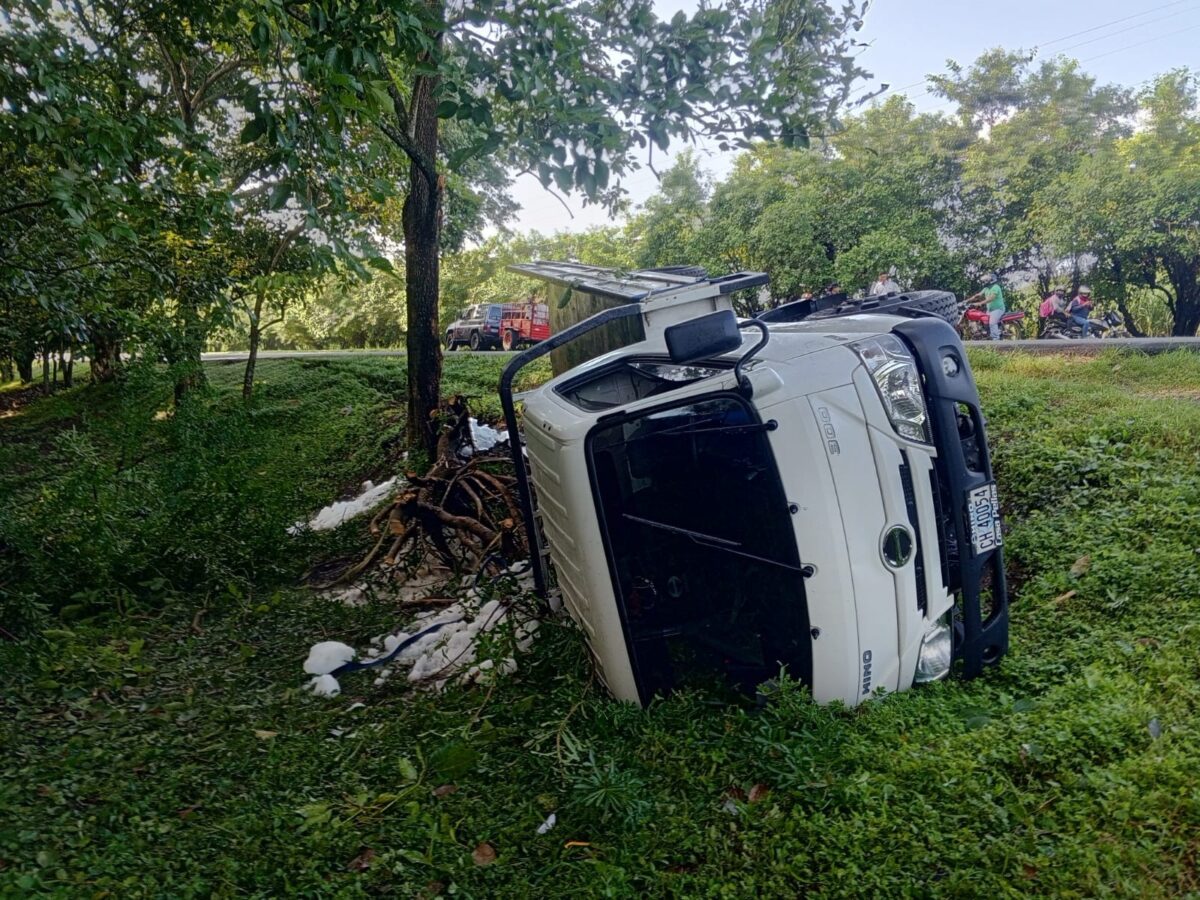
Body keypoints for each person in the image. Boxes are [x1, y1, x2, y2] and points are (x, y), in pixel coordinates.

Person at [966, 274, 1006, 340]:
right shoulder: (986, 288)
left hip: (998, 309)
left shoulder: (996, 287)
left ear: (991, 280)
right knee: (984, 321)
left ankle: (996, 339)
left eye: (987, 280)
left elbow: (991, 298)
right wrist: (967, 301)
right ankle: (986, 335)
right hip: (990, 310)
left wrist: (980, 303)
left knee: (992, 323)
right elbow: (978, 295)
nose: (985, 281)